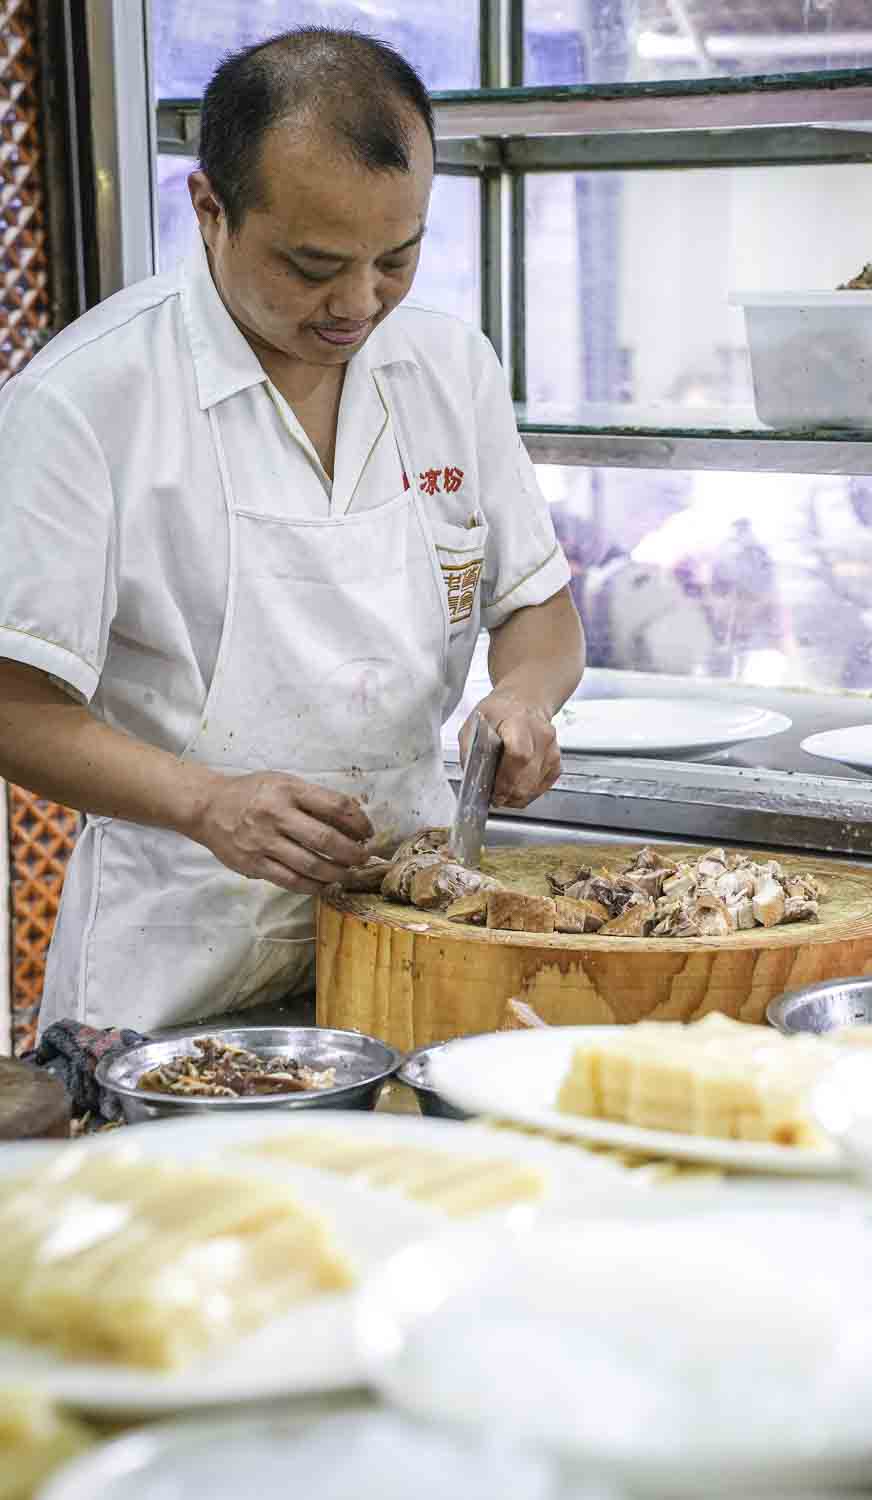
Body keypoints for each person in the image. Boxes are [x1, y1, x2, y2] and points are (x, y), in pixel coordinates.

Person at [0, 29, 583, 1033]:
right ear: (208, 208)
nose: (358, 303)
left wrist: (523, 700)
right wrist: (207, 802)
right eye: (314, 265)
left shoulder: (449, 367)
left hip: (410, 941)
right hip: (173, 971)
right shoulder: (86, 400)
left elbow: (539, 607)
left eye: (396, 259)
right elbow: (13, 703)